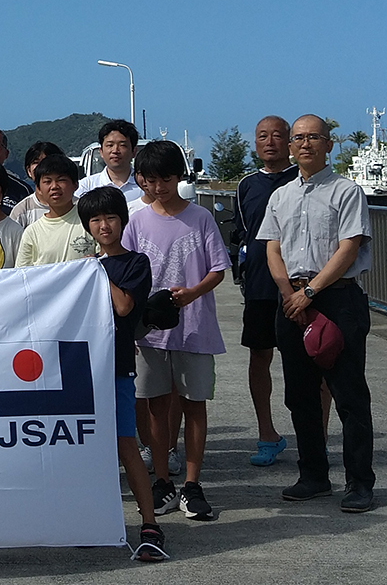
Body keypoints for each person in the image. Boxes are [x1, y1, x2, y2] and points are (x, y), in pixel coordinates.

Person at [257, 114, 375, 513]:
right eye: (298, 138)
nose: (305, 144)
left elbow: (349, 246)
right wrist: (289, 293)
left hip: (336, 299)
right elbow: (272, 247)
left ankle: (360, 482)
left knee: (349, 395)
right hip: (292, 301)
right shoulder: (281, 196)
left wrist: (311, 291)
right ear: (291, 147)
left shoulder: (346, 191)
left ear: (329, 144)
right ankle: (313, 475)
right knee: (300, 395)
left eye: (313, 137)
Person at [123, 140, 230, 521]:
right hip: (150, 332)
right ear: (142, 181)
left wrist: (192, 293)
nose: (159, 187)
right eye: (151, 181)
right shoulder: (136, 222)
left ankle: (192, 483)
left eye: (166, 179)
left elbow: (218, 268)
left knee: (194, 404)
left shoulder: (200, 218)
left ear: (178, 177)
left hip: (195, 327)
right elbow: (126, 269)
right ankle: (163, 481)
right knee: (155, 406)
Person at [78, 186, 165, 561]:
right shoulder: (81, 269)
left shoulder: (135, 263)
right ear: (87, 226)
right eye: (95, 220)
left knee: (126, 445)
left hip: (117, 368)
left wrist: (96, 270)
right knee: (86, 449)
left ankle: (150, 523)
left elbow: (125, 306)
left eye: (110, 218)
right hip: (84, 371)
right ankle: (94, 519)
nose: (104, 226)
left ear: (123, 220)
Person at [234, 115, 299, 467]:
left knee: (309, 361)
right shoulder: (246, 185)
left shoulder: (302, 178)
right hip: (259, 285)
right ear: (255, 143)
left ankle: (315, 437)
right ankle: (267, 435)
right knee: (259, 357)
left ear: (289, 141)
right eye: (262, 136)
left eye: (277, 135)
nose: (270, 141)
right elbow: (245, 233)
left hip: (301, 286)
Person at [17, 155, 97, 266]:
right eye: (47, 181)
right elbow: (22, 273)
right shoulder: (32, 232)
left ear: (75, 184)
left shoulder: (91, 221)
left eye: (61, 180)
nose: (54, 186)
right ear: (38, 188)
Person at [76, 119, 144, 201]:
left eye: (122, 145)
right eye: (110, 145)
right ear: (101, 151)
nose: (115, 150)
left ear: (134, 151)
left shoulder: (145, 186)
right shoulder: (86, 187)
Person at [9, 141, 65, 228]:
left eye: (47, 161)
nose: (43, 167)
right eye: (36, 162)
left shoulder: (77, 206)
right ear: (29, 170)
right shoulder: (22, 211)